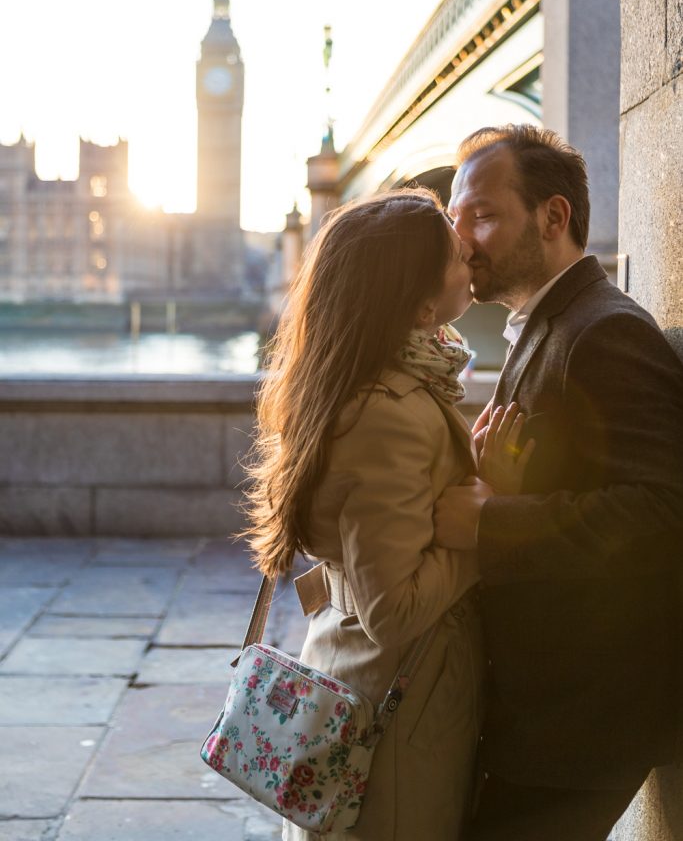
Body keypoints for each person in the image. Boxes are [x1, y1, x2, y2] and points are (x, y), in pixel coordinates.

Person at [245, 189, 528, 841]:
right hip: (395, 713)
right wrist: (484, 513)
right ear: (423, 306)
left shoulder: (362, 380)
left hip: (361, 686)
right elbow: (393, 610)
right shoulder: (386, 415)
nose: (471, 257)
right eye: (458, 258)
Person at [434, 124, 683, 841]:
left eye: (481, 215)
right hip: (544, 710)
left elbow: (662, 510)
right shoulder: (550, 323)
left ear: (552, 217)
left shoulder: (602, 331)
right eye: (456, 221)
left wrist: (488, 523)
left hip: (581, 721)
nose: (461, 241)